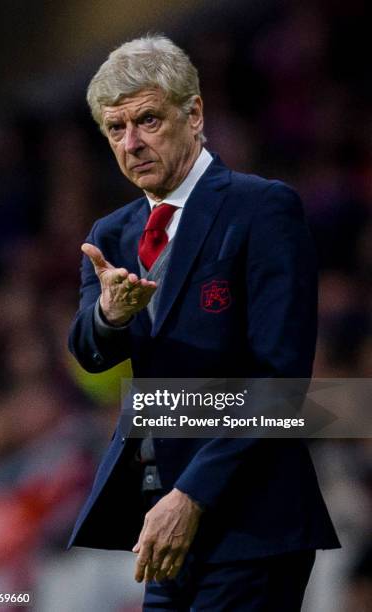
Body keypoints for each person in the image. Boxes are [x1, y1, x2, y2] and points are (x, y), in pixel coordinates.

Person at [67, 35, 340, 611]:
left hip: (251, 524)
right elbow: (89, 351)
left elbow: (280, 382)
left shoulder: (261, 208)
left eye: (147, 120)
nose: (132, 143)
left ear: (194, 114)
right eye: (115, 130)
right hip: (162, 527)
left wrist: (191, 494)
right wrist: (108, 315)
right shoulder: (111, 235)